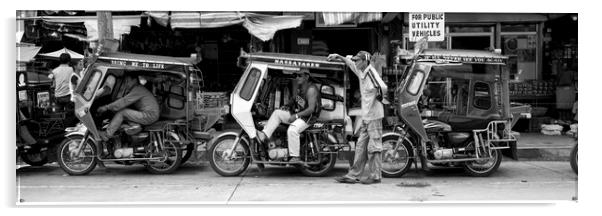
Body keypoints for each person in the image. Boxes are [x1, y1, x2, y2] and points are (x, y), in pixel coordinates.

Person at [328, 51, 386, 185]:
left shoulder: (371, 73)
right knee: (360, 147)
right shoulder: (361, 71)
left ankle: (376, 176)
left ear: (365, 61)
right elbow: (349, 62)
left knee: (374, 148)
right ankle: (353, 175)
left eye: (358, 60)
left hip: (374, 117)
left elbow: (383, 87)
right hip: (366, 117)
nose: (356, 62)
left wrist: (378, 99)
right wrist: (338, 56)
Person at [256, 69, 321, 164]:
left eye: (300, 76)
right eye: (296, 76)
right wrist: (287, 106)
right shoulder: (300, 87)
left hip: (308, 117)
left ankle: (295, 156)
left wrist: (296, 116)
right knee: (277, 113)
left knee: (292, 130)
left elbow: (311, 109)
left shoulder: (311, 90)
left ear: (307, 77)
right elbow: (295, 99)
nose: (297, 78)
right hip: (299, 113)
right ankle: (264, 135)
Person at [96, 75, 160, 141]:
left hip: (150, 115)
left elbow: (124, 101)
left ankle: (107, 135)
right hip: (150, 114)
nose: (126, 84)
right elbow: (124, 102)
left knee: (122, 113)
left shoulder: (138, 90)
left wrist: (106, 107)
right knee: (122, 111)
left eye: (128, 81)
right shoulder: (137, 89)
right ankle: (135, 125)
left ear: (134, 80)